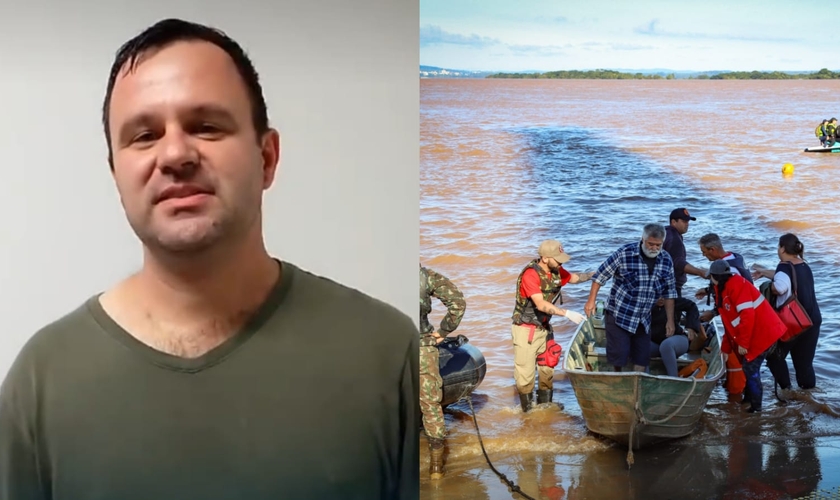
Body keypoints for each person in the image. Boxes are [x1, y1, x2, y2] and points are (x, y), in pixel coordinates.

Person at [0, 19, 419, 500]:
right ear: (116, 174)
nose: (175, 154)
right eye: (144, 135)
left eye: (206, 126)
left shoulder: (386, 356)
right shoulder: (41, 384)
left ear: (267, 158)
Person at [584, 224, 677, 372]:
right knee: (619, 356)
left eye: (658, 245)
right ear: (643, 239)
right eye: (650, 244)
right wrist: (591, 301)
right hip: (619, 314)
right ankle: (617, 377)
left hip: (644, 319)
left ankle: (635, 385)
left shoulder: (666, 260)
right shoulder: (624, 253)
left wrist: (670, 321)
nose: (654, 248)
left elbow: (670, 293)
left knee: (642, 358)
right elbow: (600, 276)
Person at [511, 240, 591, 412]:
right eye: (558, 259)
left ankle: (545, 409)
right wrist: (567, 313)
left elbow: (574, 278)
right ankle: (527, 413)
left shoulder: (556, 270)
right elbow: (540, 304)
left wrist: (594, 275)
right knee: (525, 377)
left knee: (547, 368)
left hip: (545, 327)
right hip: (527, 330)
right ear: (545, 258)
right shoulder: (530, 275)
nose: (561, 262)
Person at [710, 260, 786, 413]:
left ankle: (756, 408)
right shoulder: (726, 288)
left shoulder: (735, 287)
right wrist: (725, 347)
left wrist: (743, 344)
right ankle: (748, 400)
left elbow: (747, 316)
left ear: (715, 277)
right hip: (757, 332)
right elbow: (730, 323)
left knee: (750, 368)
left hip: (763, 333)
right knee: (749, 368)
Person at [751, 233, 822, 391]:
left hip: (793, 322)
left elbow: (781, 286)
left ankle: (787, 390)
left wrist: (769, 288)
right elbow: (787, 278)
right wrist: (764, 272)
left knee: (774, 356)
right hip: (812, 321)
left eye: (778, 246)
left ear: (783, 248)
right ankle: (809, 397)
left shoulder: (783, 266)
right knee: (804, 365)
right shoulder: (803, 265)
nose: (778, 250)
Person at [419, 264, 466, 480]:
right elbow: (458, 303)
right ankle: (436, 467)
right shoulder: (425, 276)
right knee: (430, 402)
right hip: (422, 345)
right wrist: (442, 332)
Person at [649, 296, 703, 377]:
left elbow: (692, 306)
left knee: (666, 345)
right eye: (657, 296)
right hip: (655, 345)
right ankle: (644, 378)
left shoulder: (672, 300)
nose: (660, 298)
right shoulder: (644, 302)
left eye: (662, 295)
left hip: (677, 340)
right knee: (640, 346)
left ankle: (674, 379)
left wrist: (691, 327)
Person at [663, 208, 708, 298]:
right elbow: (678, 262)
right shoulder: (674, 239)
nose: (687, 224)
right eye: (684, 221)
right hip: (670, 287)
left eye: (688, 221)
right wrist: (700, 272)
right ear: (673, 222)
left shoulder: (664, 233)